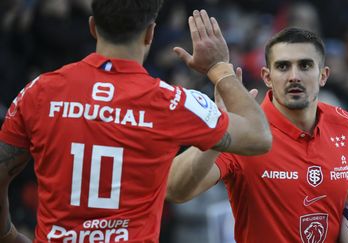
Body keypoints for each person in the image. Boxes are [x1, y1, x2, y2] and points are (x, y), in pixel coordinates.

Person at [0, 0, 272, 242]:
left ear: (93, 27)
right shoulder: (170, 101)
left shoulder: (38, 92)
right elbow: (259, 136)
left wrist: (7, 233)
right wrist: (219, 68)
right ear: (151, 33)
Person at [167, 27, 348, 242]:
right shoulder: (246, 131)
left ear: (323, 76)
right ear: (267, 77)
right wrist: (221, 130)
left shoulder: (344, 124)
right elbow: (174, 190)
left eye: (305, 65)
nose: (294, 75)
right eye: (283, 66)